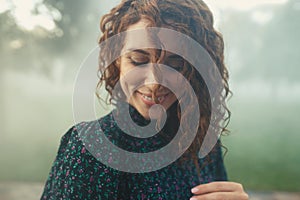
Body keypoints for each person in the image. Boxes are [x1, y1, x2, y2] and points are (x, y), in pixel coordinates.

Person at [41, 0, 249, 199]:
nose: (155, 83)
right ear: (117, 60)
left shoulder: (202, 137)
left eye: (175, 65)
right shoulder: (92, 147)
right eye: (139, 61)